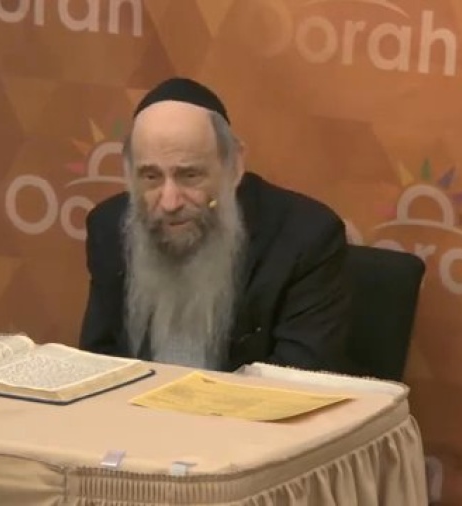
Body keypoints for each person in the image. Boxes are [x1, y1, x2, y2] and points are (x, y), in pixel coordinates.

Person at [78, 77, 350, 373]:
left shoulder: (306, 237)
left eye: (190, 176)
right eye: (151, 177)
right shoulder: (109, 226)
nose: (169, 202)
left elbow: (295, 380)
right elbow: (99, 361)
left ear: (233, 166)